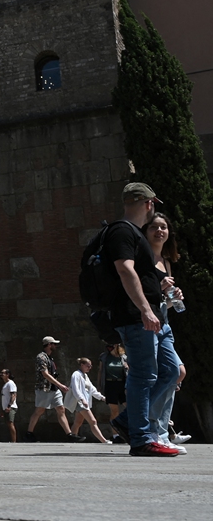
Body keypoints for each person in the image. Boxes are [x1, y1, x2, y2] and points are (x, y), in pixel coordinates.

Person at [106, 183, 182, 457]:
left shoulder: (134, 235)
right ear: (149, 204)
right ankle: (141, 438)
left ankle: (130, 422)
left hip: (154, 317)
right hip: (138, 316)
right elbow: (125, 270)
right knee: (143, 375)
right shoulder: (122, 231)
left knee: (171, 371)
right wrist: (145, 309)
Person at [141, 211, 186, 453]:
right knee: (168, 374)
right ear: (145, 232)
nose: (160, 231)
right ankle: (149, 423)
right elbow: (144, 296)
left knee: (177, 372)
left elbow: (161, 303)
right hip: (148, 324)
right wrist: (159, 289)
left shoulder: (166, 261)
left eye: (164, 227)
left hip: (164, 322)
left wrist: (172, 298)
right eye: (154, 227)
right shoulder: (143, 259)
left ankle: (160, 429)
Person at [24, 336, 77, 442]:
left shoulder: (49, 358)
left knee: (61, 409)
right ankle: (29, 433)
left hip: (53, 389)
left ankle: (69, 435)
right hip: (44, 389)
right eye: (54, 344)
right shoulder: (41, 357)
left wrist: (57, 386)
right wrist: (60, 385)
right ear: (49, 345)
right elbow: (45, 374)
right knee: (39, 410)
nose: (55, 346)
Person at [64, 358, 111, 443]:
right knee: (93, 421)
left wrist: (101, 397)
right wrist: (81, 399)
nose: (89, 368)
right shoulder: (76, 374)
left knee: (78, 422)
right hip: (80, 402)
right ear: (82, 365)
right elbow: (75, 388)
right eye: (88, 366)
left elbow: (92, 389)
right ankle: (103, 440)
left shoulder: (85, 375)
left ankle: (72, 438)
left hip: (84, 402)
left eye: (90, 366)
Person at [97, 342, 127, 440]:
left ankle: (128, 430)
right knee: (115, 411)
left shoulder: (124, 357)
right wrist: (99, 385)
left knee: (130, 407)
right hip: (110, 385)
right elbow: (100, 371)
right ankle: (115, 435)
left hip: (122, 384)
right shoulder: (104, 357)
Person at [0, 369, 17, 442]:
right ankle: (12, 440)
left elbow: (13, 395)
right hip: (6, 408)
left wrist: (9, 406)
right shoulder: (5, 384)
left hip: (11, 407)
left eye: (3, 373)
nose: (1, 374)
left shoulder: (10, 383)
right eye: (1, 373)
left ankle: (14, 441)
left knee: (10, 423)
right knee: (8, 424)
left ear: (7, 374)